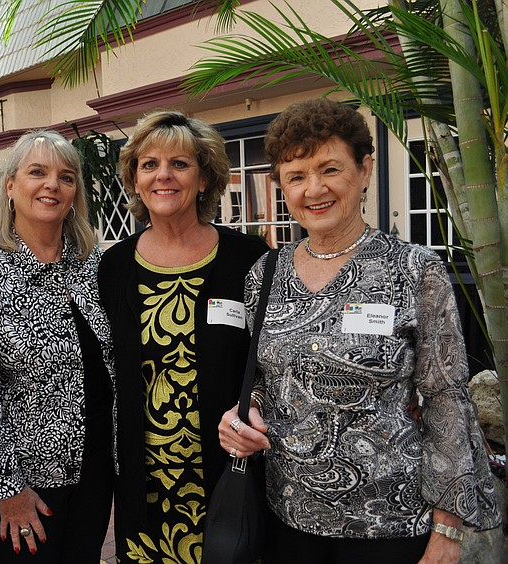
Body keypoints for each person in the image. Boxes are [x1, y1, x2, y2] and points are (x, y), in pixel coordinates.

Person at [220, 98, 502, 564]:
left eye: (330, 169)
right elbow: (267, 379)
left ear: (365, 169)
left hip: (390, 526)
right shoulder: (264, 274)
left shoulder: (414, 270)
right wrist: (244, 412)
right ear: (282, 188)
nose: (314, 189)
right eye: (296, 177)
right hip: (287, 519)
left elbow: (447, 399)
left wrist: (447, 531)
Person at [97, 110, 268, 562]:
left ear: (205, 178)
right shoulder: (112, 268)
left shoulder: (249, 260)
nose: (163, 175)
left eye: (180, 163)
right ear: (135, 180)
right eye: (149, 164)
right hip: (143, 480)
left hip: (229, 473)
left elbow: (273, 358)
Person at [0, 130, 116, 562]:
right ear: (10, 186)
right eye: (37, 173)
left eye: (66, 177)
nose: (52, 185)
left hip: (94, 472)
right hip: (24, 483)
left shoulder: (96, 265)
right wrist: (6, 488)